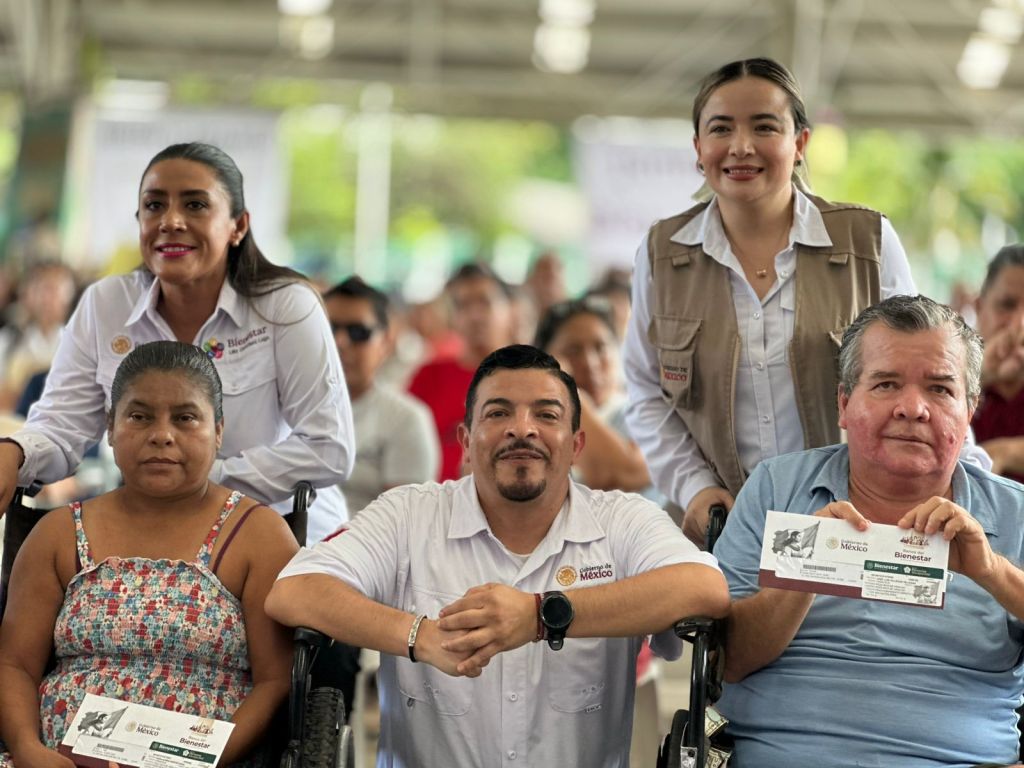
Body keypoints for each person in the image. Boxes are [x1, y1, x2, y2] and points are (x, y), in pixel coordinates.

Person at [266, 344, 729, 768]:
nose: (522, 428)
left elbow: (704, 589)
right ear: (466, 442)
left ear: (576, 446)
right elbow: (294, 591)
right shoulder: (409, 514)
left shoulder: (623, 520)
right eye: (498, 412)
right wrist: (419, 636)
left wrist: (541, 617)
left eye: (546, 415)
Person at [712, 295, 1024, 768]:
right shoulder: (777, 487)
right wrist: (804, 567)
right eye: (886, 384)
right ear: (844, 403)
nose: (912, 408)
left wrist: (991, 570)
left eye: (940, 389)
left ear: (970, 411)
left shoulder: (1014, 511)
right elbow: (726, 663)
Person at [622, 57, 918, 546]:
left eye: (764, 127)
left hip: (855, 525)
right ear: (698, 148)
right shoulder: (661, 254)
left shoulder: (868, 242)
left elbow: (920, 379)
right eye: (721, 129)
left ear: (799, 143)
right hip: (718, 532)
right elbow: (644, 389)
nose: (741, 147)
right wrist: (695, 489)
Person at [0, 142, 354, 543]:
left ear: (238, 226)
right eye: (154, 206)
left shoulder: (285, 306)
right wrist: (16, 452)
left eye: (195, 205)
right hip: (149, 539)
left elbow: (329, 447)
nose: (170, 220)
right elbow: (62, 427)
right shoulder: (106, 304)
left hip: (284, 539)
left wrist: (201, 480)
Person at [0, 341, 298, 767]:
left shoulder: (257, 535)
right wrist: (29, 750)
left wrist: (202, 759)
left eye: (185, 417)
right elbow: (14, 666)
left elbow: (274, 681)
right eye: (139, 416)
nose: (162, 434)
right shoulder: (59, 533)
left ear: (218, 430)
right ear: (110, 427)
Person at [323, 276, 439, 513]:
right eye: (329, 329)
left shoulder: (406, 419)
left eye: (358, 333)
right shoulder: (282, 410)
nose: (340, 342)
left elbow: (404, 522)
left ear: (386, 342)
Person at [535, 296, 654, 495]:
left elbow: (625, 476)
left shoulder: (641, 412)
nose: (590, 363)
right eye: (573, 350)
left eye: (600, 347)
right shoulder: (532, 424)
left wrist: (569, 394)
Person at [408, 263, 516, 481]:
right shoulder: (428, 377)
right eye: (462, 305)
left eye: (485, 302)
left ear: (511, 309)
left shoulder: (535, 378)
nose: (475, 315)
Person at [972, 244, 1024, 483]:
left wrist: (1005, 452)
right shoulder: (948, 375)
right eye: (1007, 305)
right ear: (979, 308)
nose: (1019, 325)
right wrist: (980, 375)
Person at [0, 262, 77, 411]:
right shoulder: (8, 341)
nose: (47, 299)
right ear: (27, 294)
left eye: (55, 290)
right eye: (42, 289)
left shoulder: (77, 344)